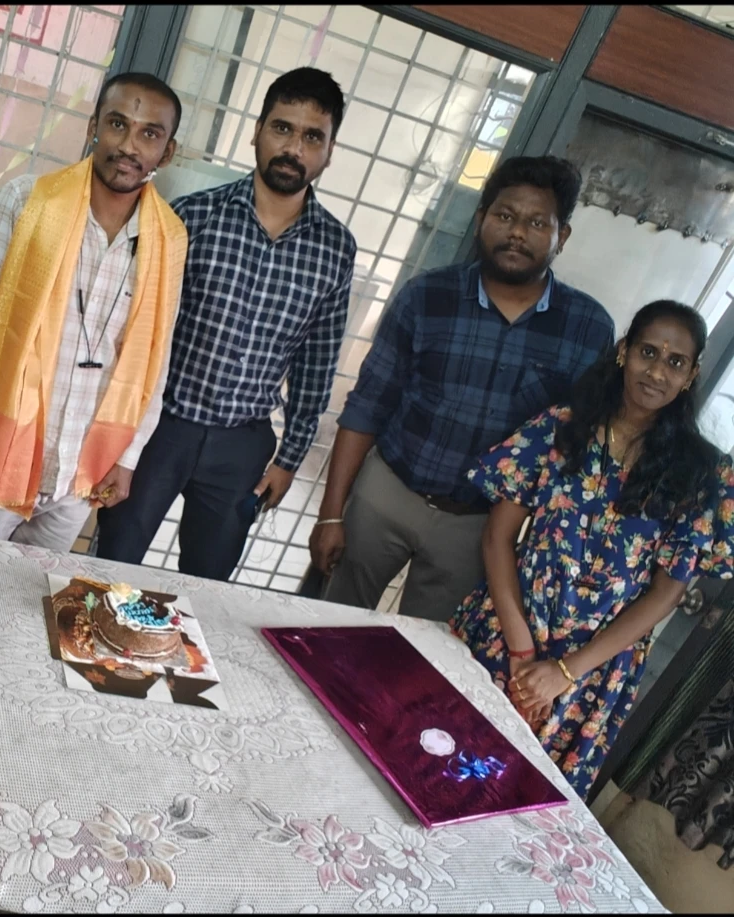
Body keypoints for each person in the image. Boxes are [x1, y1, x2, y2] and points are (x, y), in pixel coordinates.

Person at [312, 155, 615, 619]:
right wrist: (331, 514)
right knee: (329, 620)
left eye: (537, 223)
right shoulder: (426, 296)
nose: (517, 232)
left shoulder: (588, 329)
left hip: (479, 526)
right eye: (505, 216)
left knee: (426, 646)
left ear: (562, 235)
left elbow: (575, 446)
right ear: (481, 219)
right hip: (387, 494)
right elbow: (368, 405)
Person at [449, 300, 719, 799]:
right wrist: (521, 652)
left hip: (591, 675)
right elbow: (498, 537)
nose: (657, 372)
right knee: (437, 756)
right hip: (507, 630)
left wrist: (563, 673)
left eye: (675, 361)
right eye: (648, 352)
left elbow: (665, 594)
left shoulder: (699, 474)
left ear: (691, 374)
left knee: (511, 803)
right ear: (624, 352)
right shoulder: (562, 428)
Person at [95, 67, 356, 580]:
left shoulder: (335, 249)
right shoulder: (191, 218)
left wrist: (289, 459)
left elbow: (316, 364)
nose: (293, 148)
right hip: (160, 428)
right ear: (257, 132)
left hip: (242, 444)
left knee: (207, 580)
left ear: (329, 152)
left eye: (312, 137)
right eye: (282, 128)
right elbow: (136, 331)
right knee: (112, 564)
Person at [0, 73, 188, 551]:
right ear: (94, 127)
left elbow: (157, 361)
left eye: (149, 134)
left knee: (38, 588)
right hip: (2, 445)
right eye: (117, 124)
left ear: (167, 152)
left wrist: (127, 458)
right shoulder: (27, 201)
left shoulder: (169, 239)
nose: (128, 145)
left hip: (82, 467)